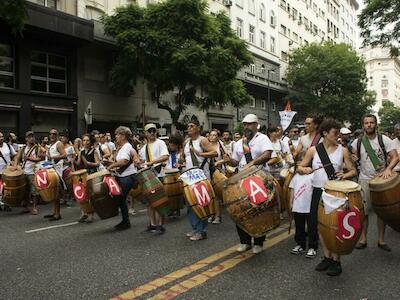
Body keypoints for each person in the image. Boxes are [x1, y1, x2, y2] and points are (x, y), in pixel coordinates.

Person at [298, 118, 357, 276]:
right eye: (334, 133)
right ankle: (327, 257)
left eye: (338, 133)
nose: (337, 136)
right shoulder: (313, 150)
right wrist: (305, 170)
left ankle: (336, 261)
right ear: (325, 133)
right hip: (317, 191)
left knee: (335, 226)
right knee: (319, 225)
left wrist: (344, 175)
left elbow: (353, 171)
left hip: (335, 192)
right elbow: (300, 167)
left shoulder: (342, 150)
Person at [224, 114, 274, 254]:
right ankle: (244, 241)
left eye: (250, 124)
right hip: (241, 180)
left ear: (256, 125)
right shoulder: (240, 142)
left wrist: (252, 162)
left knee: (258, 210)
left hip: (258, 179)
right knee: (240, 210)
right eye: (245, 124)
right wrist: (228, 160)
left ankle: (258, 241)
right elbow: (235, 161)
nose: (246, 127)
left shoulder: (262, 139)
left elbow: (267, 155)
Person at [351, 114, 399, 252]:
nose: (369, 125)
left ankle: (381, 240)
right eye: (366, 123)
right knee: (364, 212)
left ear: (376, 124)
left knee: (382, 212)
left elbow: (395, 157)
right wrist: (354, 158)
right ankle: (363, 239)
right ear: (363, 125)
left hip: (381, 180)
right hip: (364, 179)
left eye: (371, 122)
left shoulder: (384, 140)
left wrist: (388, 169)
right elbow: (352, 157)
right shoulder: (358, 142)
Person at [181, 118, 217, 241]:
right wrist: (181, 162)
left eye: (192, 126)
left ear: (198, 128)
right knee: (190, 204)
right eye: (188, 126)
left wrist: (200, 154)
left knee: (200, 204)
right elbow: (184, 158)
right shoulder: (186, 142)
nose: (189, 128)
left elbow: (214, 153)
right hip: (189, 177)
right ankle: (195, 228)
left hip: (201, 177)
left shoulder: (203, 140)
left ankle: (202, 231)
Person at [106, 126, 140, 230]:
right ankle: (125, 221)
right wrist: (111, 163)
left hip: (127, 177)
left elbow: (124, 161)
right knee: (121, 199)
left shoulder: (126, 147)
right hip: (124, 176)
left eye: (117, 135)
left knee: (120, 199)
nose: (115, 136)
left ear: (123, 136)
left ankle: (126, 222)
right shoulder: (123, 147)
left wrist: (111, 166)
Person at [139, 123, 169, 235]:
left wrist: (153, 162)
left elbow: (165, 156)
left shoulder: (160, 143)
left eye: (154, 131)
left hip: (159, 175)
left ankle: (160, 225)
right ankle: (152, 224)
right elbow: (142, 163)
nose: (152, 133)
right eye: (150, 131)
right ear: (146, 133)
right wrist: (138, 163)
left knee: (160, 201)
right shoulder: (143, 148)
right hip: (148, 177)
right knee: (149, 203)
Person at [14, 131, 44, 215]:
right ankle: (27, 207)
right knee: (25, 191)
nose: (31, 138)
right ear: (26, 139)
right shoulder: (23, 148)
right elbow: (17, 157)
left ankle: (34, 207)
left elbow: (41, 159)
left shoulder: (38, 148)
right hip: (24, 172)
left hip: (33, 172)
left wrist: (30, 159)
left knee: (34, 191)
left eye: (32, 136)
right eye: (29, 137)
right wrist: (16, 166)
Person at [75, 134, 101, 223]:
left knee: (90, 195)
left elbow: (98, 163)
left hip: (92, 173)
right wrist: (72, 160)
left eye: (87, 140)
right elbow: (78, 163)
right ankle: (84, 213)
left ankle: (91, 215)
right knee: (82, 194)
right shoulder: (81, 152)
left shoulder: (94, 151)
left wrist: (89, 163)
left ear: (91, 142)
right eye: (84, 140)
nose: (85, 142)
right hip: (83, 174)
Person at [289, 163, 313, 255]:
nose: (302, 168)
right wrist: (291, 203)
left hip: (309, 207)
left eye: (304, 165)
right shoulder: (296, 177)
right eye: (299, 165)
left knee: (312, 228)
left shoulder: (313, 176)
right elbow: (292, 189)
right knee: (299, 227)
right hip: (298, 206)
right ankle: (300, 244)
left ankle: (312, 246)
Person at [45, 129, 67, 221]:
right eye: (50, 134)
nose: (52, 135)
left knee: (56, 193)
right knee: (53, 192)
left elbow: (65, 155)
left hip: (56, 172)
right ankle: (54, 212)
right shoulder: (50, 146)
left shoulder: (59, 144)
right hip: (50, 171)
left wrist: (53, 158)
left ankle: (57, 214)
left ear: (57, 135)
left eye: (54, 134)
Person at [208, 129, 228, 224]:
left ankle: (217, 216)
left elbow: (227, 158)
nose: (212, 137)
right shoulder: (206, 145)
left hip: (218, 171)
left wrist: (219, 162)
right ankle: (211, 214)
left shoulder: (220, 146)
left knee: (216, 195)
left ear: (218, 137)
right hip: (208, 171)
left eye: (214, 135)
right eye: (211, 135)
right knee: (209, 194)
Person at [0, 131, 17, 211]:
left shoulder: (8, 146)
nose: (1, 138)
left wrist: (14, 164)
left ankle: (7, 204)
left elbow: (15, 156)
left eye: (2, 136)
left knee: (7, 188)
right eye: (0, 137)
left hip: (7, 172)